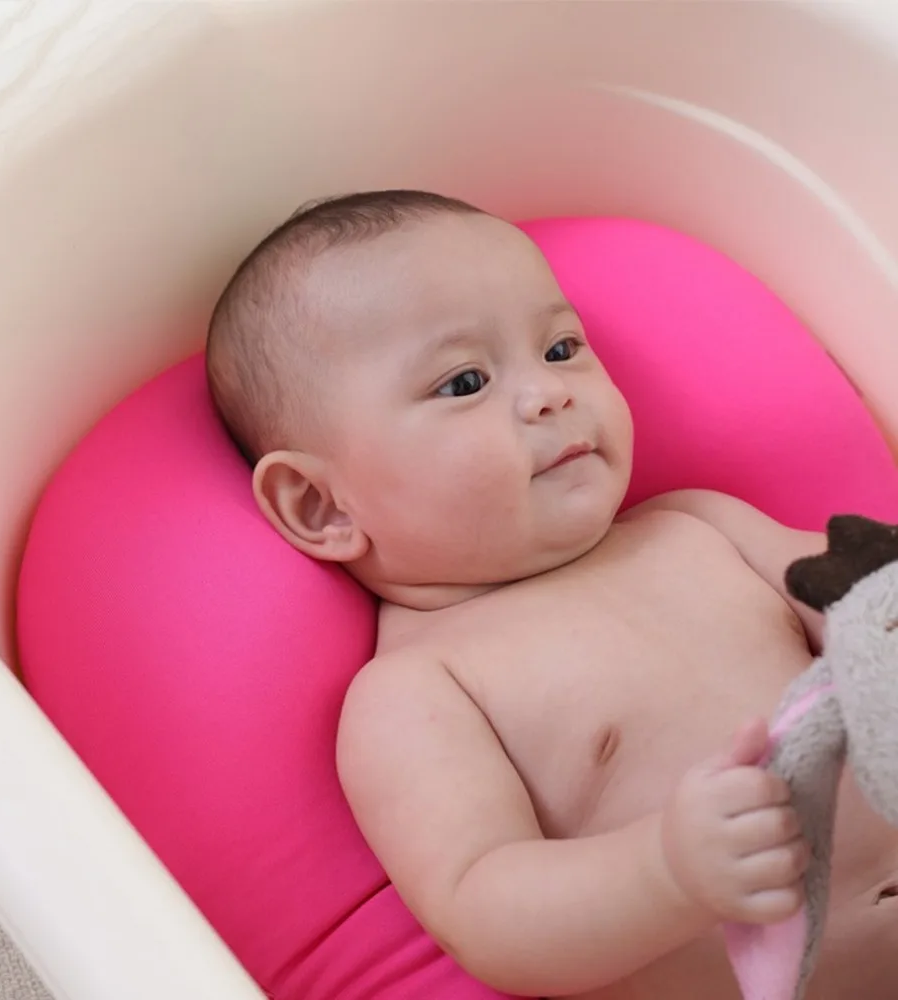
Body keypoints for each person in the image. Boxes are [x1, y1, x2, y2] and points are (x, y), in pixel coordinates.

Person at [206, 190, 898, 999]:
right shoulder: (421, 693)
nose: (549, 392)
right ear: (322, 506)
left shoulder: (700, 527)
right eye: (465, 381)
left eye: (562, 348)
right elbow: (485, 909)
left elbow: (868, 599)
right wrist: (667, 870)